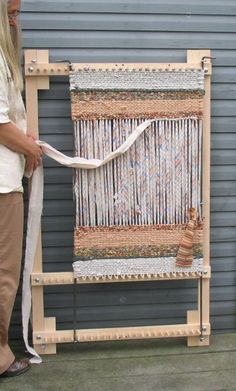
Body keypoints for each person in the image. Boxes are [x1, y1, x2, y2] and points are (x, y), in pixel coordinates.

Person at [0, 0, 43, 377]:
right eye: (10, 14)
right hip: (1, 185)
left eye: (17, 14)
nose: (16, 21)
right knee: (5, 271)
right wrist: (29, 146)